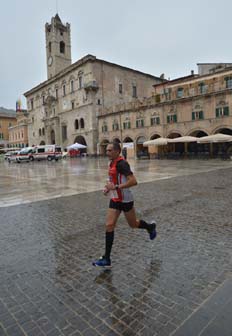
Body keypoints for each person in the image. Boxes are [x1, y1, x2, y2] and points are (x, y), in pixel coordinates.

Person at [93, 141, 157, 267]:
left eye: (110, 150)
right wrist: (108, 188)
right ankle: (107, 258)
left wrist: (116, 187)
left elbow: (133, 181)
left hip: (126, 200)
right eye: (106, 150)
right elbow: (112, 179)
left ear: (117, 151)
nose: (107, 153)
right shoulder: (111, 162)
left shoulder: (122, 164)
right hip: (115, 199)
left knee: (133, 224)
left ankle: (150, 227)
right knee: (109, 225)